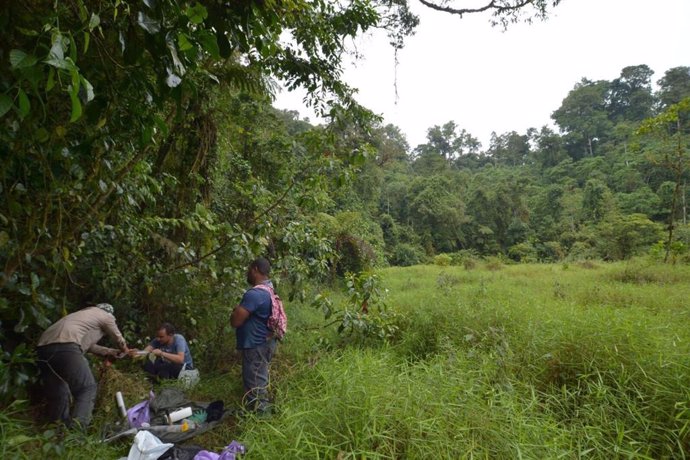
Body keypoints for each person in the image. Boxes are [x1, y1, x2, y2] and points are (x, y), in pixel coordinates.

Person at [36, 303, 130, 428]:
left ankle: (56, 430)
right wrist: (125, 349)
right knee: (87, 388)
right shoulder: (106, 316)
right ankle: (77, 432)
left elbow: (86, 345)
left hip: (43, 349)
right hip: (66, 348)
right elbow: (118, 337)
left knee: (60, 391)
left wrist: (111, 351)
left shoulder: (81, 316)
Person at [231, 257, 278, 413]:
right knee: (257, 381)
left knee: (256, 385)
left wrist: (236, 310)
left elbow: (236, 321)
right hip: (264, 343)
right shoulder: (270, 290)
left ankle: (261, 420)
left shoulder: (256, 294)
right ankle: (254, 413)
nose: (247, 273)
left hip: (256, 346)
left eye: (249, 270)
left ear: (255, 269)